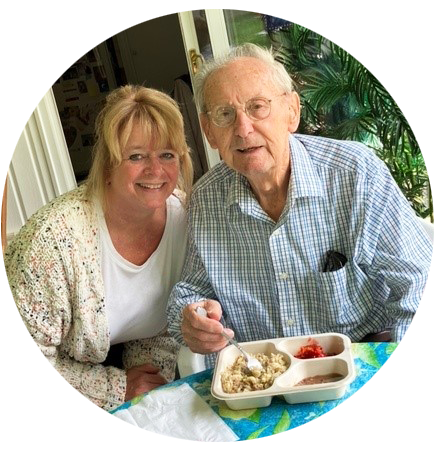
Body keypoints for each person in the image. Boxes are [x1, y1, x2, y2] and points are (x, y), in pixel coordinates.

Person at [167, 43, 433, 367]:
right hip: (262, 376)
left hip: (358, 360)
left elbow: (421, 286)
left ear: (291, 112)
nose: (243, 129)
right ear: (209, 132)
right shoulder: (206, 199)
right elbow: (192, 290)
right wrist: (192, 320)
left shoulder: (356, 174)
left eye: (257, 107)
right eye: (225, 114)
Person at [4, 85, 194, 411]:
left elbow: (158, 325)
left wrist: (146, 387)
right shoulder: (54, 242)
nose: (155, 170)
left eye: (167, 154)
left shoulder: (184, 218)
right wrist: (117, 388)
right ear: (107, 165)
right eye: (136, 156)